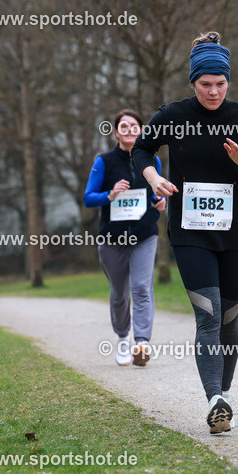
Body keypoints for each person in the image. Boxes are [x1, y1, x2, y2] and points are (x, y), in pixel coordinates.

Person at [133, 31, 238, 434]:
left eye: (220, 84)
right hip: (190, 231)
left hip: (236, 234)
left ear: (227, 81)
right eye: (205, 85)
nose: (213, 92)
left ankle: (224, 396)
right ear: (193, 82)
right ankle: (213, 397)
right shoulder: (173, 116)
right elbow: (141, 149)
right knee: (208, 316)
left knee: (230, 318)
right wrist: (152, 177)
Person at [84, 109, 167, 367]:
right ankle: (122, 339)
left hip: (144, 235)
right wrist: (110, 194)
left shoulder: (152, 160)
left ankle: (141, 342)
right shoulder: (104, 161)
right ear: (116, 131)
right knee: (119, 294)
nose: (129, 130)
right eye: (124, 126)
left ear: (141, 131)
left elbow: (156, 195)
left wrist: (160, 202)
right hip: (112, 238)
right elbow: (88, 198)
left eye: (134, 126)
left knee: (142, 288)